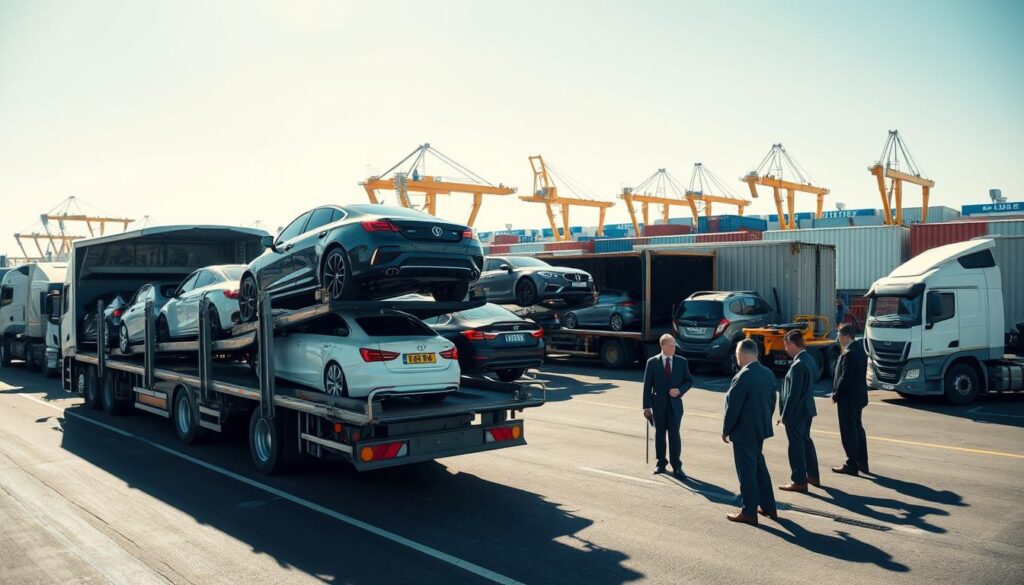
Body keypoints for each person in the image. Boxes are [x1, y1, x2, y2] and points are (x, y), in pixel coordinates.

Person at [722, 340, 778, 526]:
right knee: (759, 468)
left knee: (746, 472)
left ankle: (749, 512)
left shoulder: (743, 376)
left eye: (737, 355)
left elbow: (733, 408)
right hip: (760, 429)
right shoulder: (767, 373)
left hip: (744, 432)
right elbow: (772, 402)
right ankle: (768, 506)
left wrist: (726, 430)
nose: (737, 358)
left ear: (743, 355)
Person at [642, 333, 694, 479]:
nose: (674, 348)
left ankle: (677, 466)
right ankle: (661, 463)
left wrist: (680, 390)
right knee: (659, 434)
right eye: (671, 345)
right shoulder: (652, 362)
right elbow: (647, 386)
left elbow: (689, 381)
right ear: (662, 346)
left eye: (674, 345)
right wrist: (646, 407)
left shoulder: (681, 362)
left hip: (675, 406)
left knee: (674, 435)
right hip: (658, 405)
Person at [777, 329, 820, 492]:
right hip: (807, 408)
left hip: (796, 412)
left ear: (792, 344)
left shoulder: (798, 364)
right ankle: (813, 476)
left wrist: (784, 415)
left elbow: (793, 394)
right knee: (806, 441)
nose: (785, 349)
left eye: (786, 345)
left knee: (795, 445)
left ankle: (799, 481)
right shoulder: (808, 358)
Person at [831, 324, 870, 475]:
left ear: (847, 336)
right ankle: (862, 462)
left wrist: (836, 394)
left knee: (849, 432)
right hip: (858, 397)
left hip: (848, 399)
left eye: (839, 335)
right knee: (858, 429)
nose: (838, 338)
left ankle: (851, 464)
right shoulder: (859, 349)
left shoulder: (849, 353)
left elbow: (845, 379)